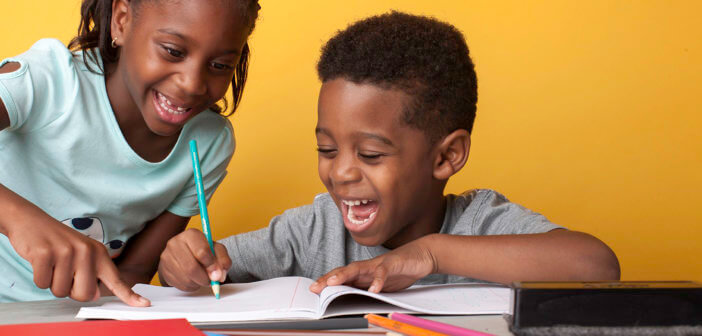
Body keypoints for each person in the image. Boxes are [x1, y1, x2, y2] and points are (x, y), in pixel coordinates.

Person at [158, 11, 620, 294]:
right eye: (327, 148)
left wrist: (432, 255)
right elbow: (210, 265)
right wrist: (187, 260)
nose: (340, 172)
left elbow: (597, 266)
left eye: (371, 155)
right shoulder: (315, 230)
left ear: (447, 156)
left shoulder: (481, 223)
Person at [0, 0, 260, 304]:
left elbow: (135, 269)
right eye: (173, 51)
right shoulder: (49, 80)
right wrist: (19, 219)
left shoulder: (208, 143)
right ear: (121, 20)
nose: (192, 84)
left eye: (220, 65)